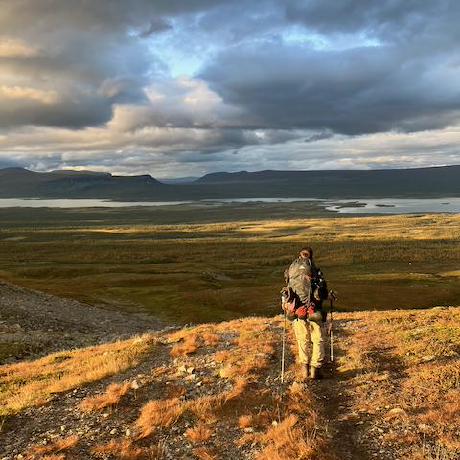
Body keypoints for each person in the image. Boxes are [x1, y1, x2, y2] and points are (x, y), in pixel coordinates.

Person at [283, 246, 327, 380]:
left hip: (297, 311)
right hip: (315, 310)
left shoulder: (291, 270)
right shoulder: (315, 270)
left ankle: (304, 369)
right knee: (318, 339)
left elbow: (287, 289)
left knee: (302, 339)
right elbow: (323, 291)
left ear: (299, 255)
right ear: (311, 256)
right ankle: (315, 369)